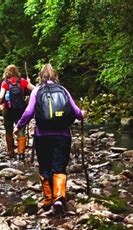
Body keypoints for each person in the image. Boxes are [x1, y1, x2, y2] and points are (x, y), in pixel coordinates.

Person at [14, 64, 85, 213]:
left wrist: (19, 126)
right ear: (55, 76)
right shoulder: (63, 90)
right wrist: (82, 114)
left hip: (42, 135)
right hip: (63, 135)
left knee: (45, 165)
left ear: (41, 76)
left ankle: (48, 199)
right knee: (59, 165)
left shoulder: (37, 91)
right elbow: (77, 112)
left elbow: (28, 113)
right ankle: (59, 198)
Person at [0, 65, 35, 159]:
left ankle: (11, 152)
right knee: (21, 130)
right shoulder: (23, 81)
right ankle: (21, 153)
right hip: (20, 110)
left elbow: (0, 97)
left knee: (8, 131)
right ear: (17, 71)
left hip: (7, 110)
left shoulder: (5, 83)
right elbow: (36, 90)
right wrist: (29, 83)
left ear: (6, 72)